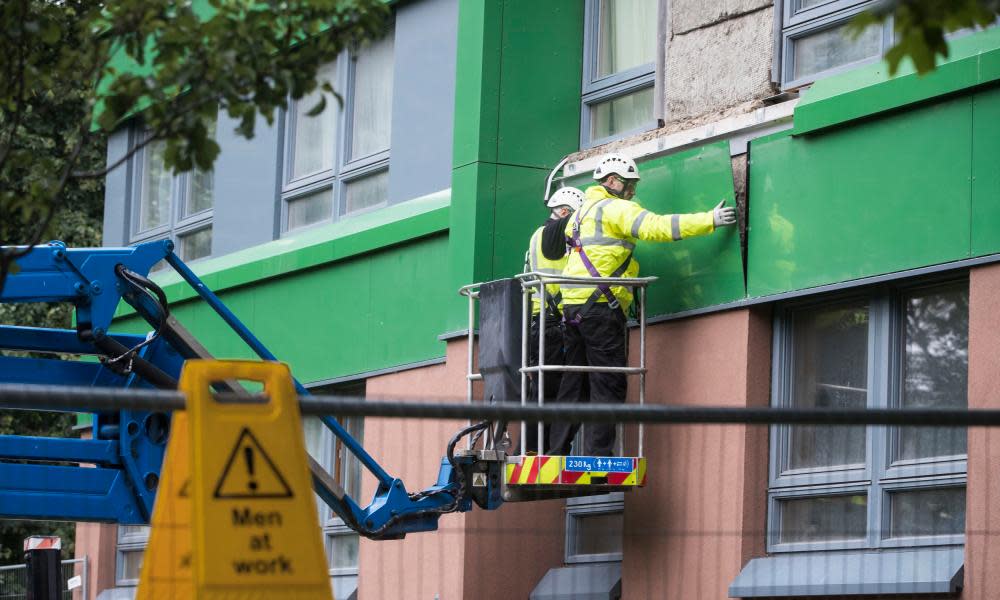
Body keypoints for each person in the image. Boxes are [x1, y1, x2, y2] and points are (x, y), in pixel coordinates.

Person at [547, 152, 737, 456]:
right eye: (630, 184)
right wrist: (708, 221)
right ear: (613, 181)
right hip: (599, 308)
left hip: (572, 307)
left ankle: (555, 450)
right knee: (607, 382)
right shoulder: (615, 209)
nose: (634, 191)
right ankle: (599, 457)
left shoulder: (579, 215)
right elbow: (658, 227)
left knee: (574, 383)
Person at [520, 186, 584, 455]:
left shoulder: (538, 235)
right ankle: (542, 448)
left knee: (544, 386)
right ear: (566, 213)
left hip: (542, 319)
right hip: (553, 320)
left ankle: (539, 447)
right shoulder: (553, 235)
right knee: (554, 387)